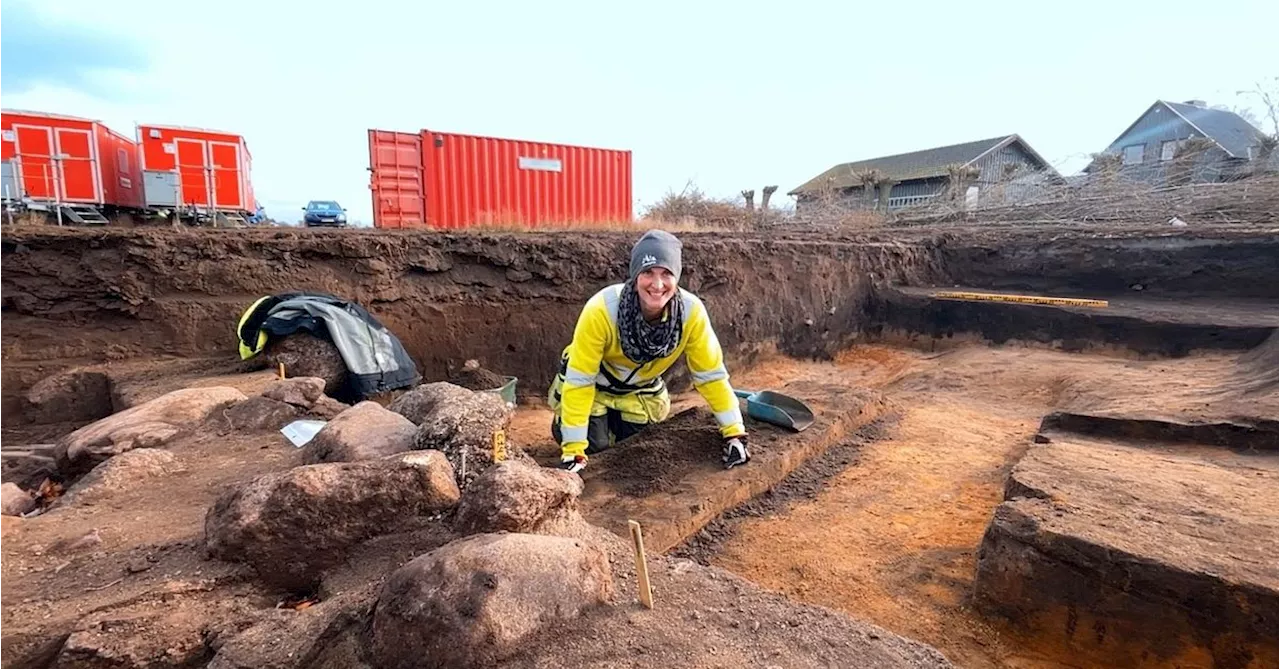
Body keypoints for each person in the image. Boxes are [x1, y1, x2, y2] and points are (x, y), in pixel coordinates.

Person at [546, 229, 749, 474]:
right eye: (648, 273)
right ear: (634, 275)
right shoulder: (602, 309)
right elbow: (580, 381)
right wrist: (573, 449)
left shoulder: (690, 313)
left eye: (666, 274)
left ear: (677, 277)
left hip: (638, 392)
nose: (657, 284)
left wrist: (735, 433)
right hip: (595, 386)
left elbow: (711, 376)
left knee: (635, 445)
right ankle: (564, 424)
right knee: (595, 445)